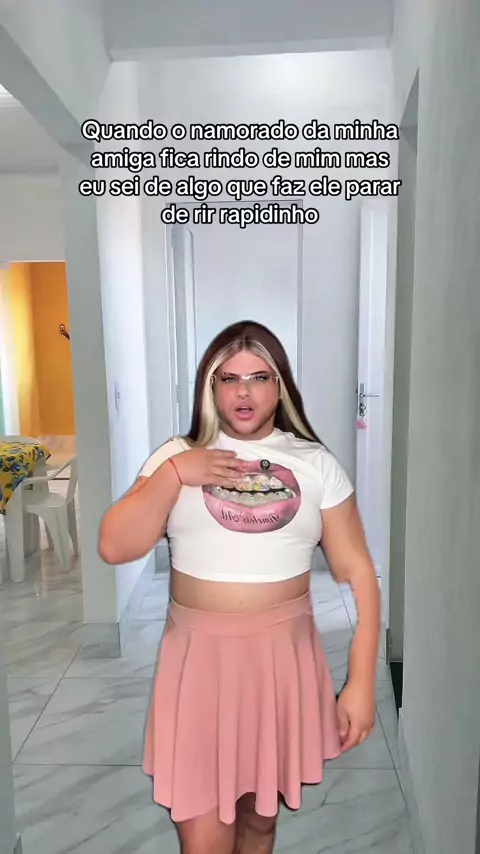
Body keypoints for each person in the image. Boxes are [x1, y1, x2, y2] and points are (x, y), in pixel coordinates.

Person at [98, 320, 381, 854]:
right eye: (229, 378)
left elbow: (359, 573)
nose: (243, 392)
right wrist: (176, 474)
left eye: (258, 377)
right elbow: (115, 546)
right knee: (204, 838)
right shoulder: (177, 456)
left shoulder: (315, 464)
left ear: (281, 386)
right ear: (211, 386)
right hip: (198, 666)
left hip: (282, 664)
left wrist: (362, 679)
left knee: (259, 824)